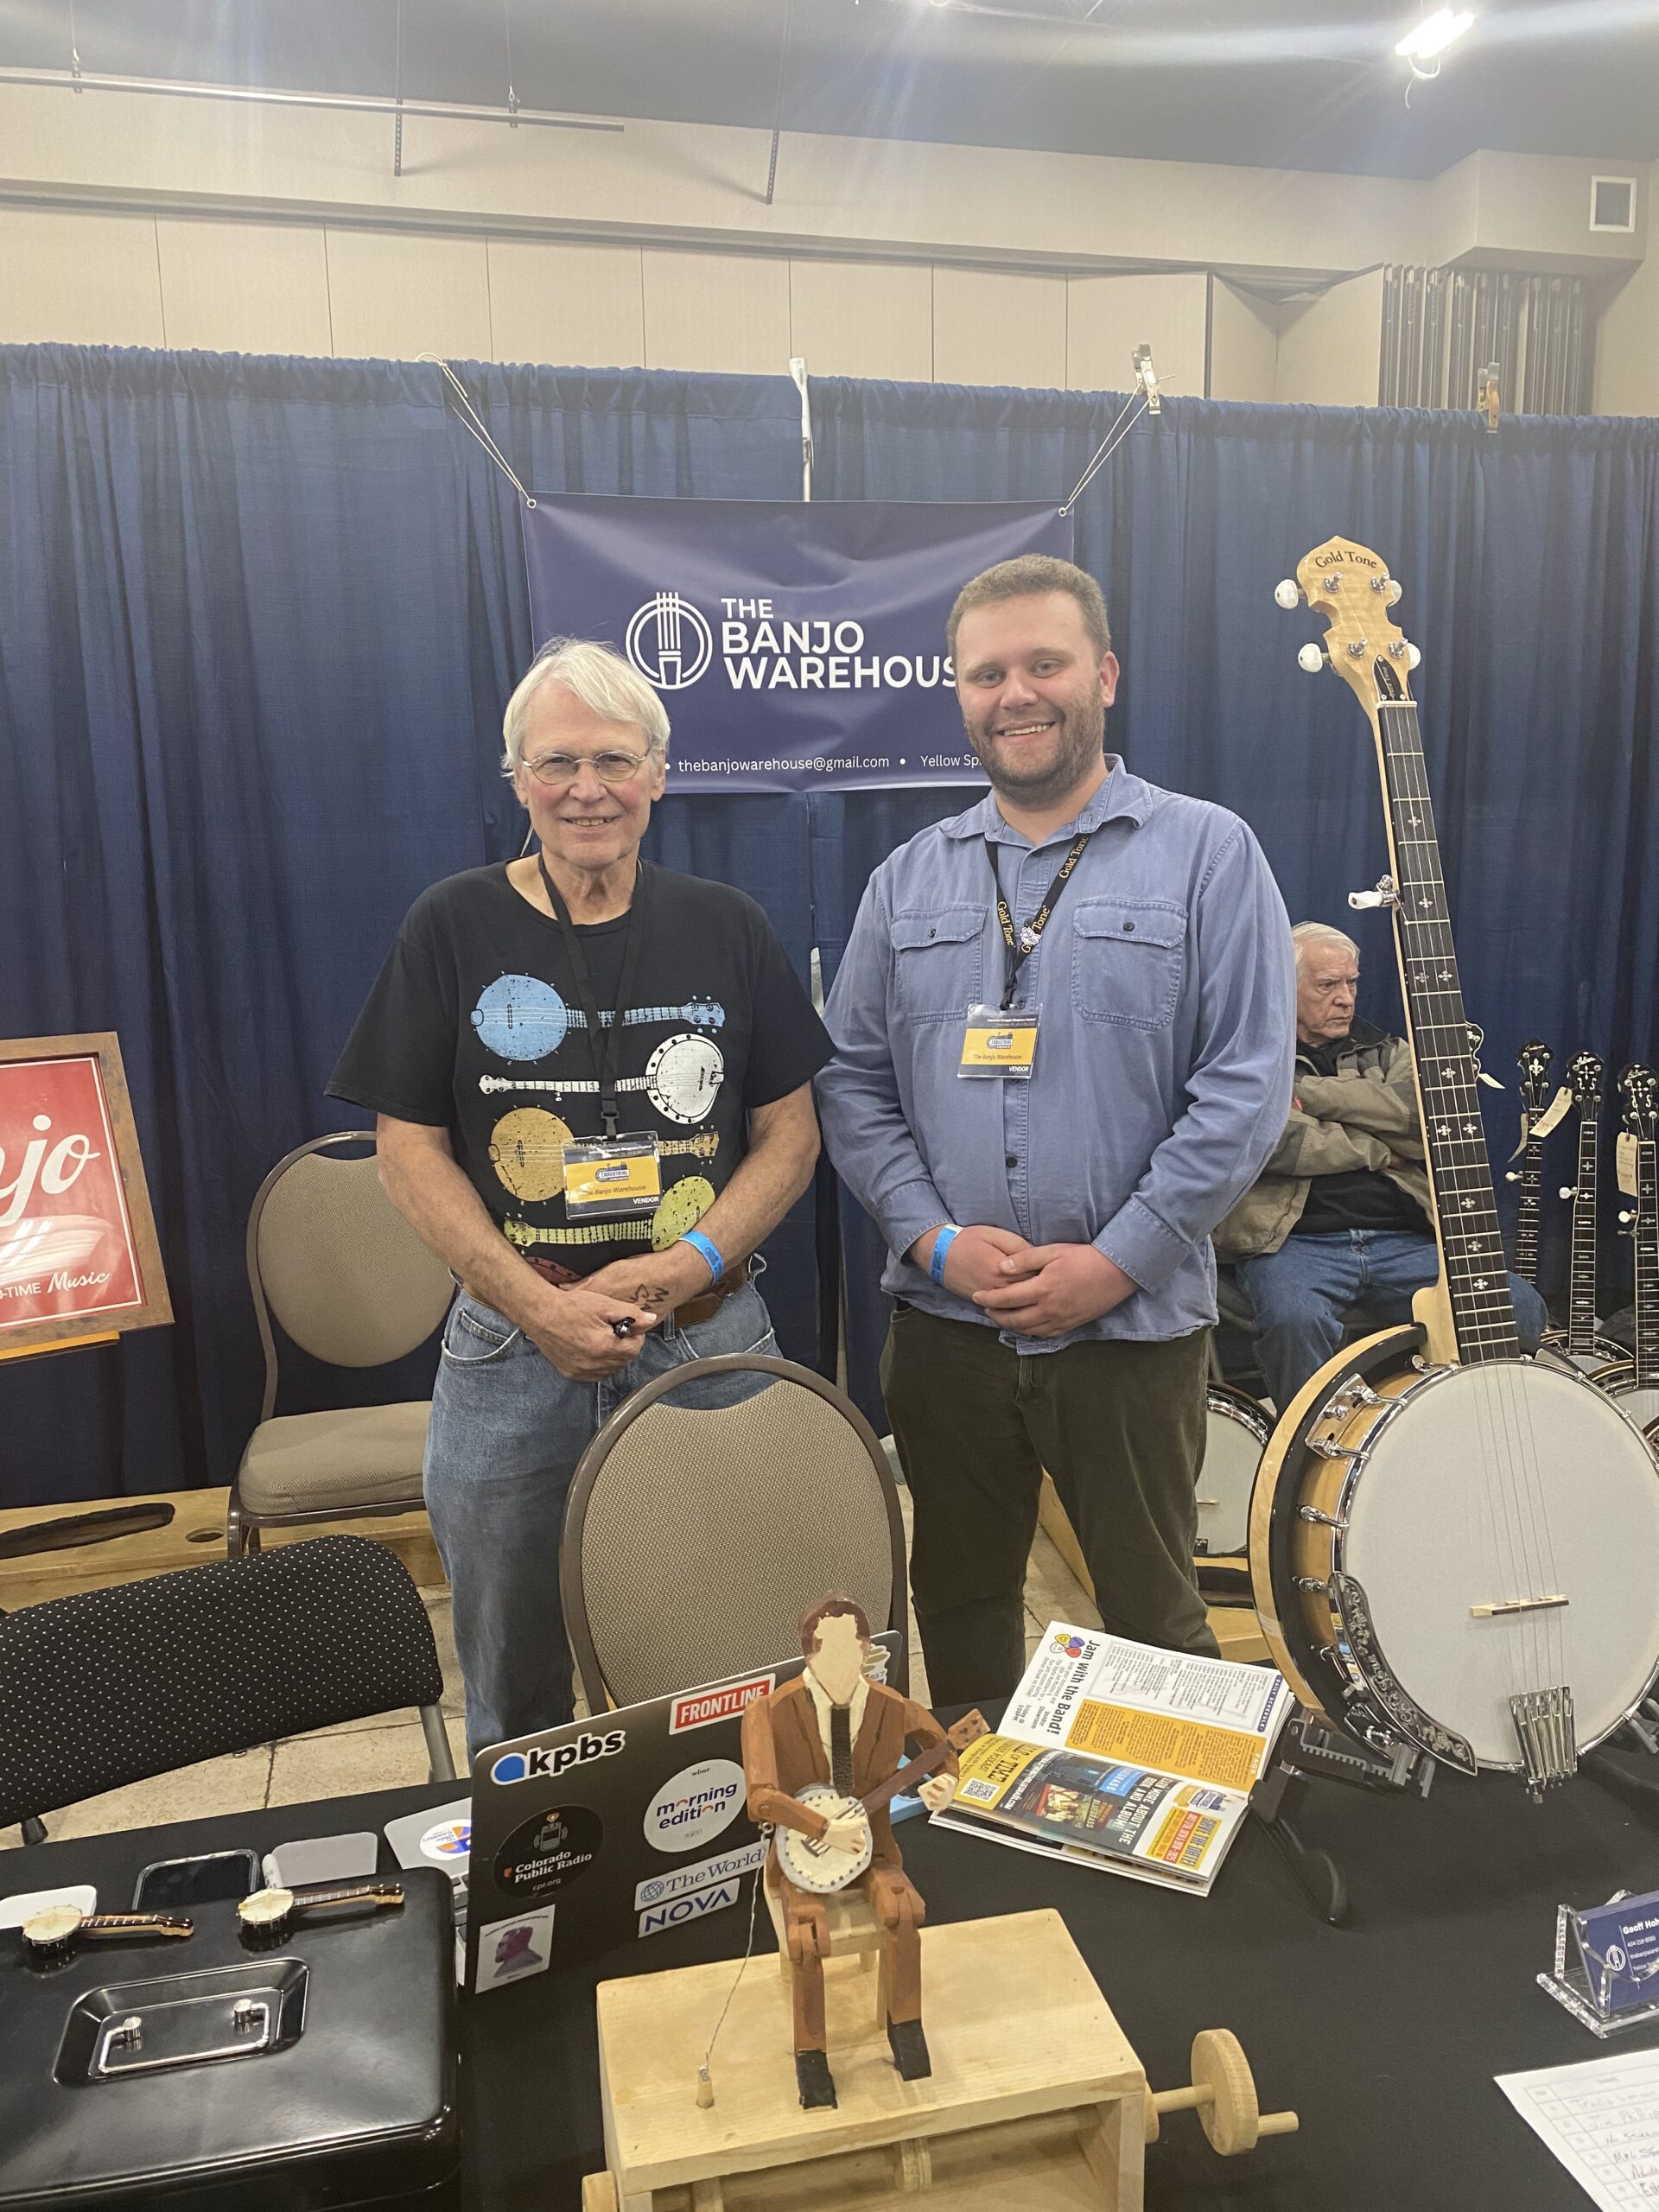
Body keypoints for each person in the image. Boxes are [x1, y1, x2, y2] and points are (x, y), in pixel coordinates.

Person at [327, 639, 830, 1756]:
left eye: (615, 760)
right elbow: (406, 1151)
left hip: (707, 1339)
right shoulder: (450, 926)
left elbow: (789, 1138)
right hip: (514, 1348)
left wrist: (689, 1263)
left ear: (660, 774)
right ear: (517, 780)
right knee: (511, 1675)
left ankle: (732, 1871)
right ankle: (534, 1903)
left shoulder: (727, 927)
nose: (587, 789)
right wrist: (536, 1305)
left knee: (732, 1646)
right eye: (557, 763)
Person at [816, 554, 1295, 1704]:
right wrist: (934, 1241)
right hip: (945, 1329)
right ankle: (984, 1852)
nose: (1016, 693)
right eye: (988, 673)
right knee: (964, 1603)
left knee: (1153, 1619)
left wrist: (1114, 1260)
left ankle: (1168, 1870)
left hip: (1128, 1334)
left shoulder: (1209, 855)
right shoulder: (906, 882)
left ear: (1106, 675)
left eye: (1045, 663)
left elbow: (1245, 1091)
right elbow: (852, 1083)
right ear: (959, 693)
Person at [1217, 921, 1548, 1413]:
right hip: (1295, 1242)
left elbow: (1426, 1123)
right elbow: (1273, 1140)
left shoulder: (1390, 1050)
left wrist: (1312, 1095)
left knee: (1520, 1308)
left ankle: (1450, 1431)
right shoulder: (1251, 1057)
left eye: (1351, 982)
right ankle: (1309, 1454)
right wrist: (1377, 1147)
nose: (1345, 998)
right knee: (1294, 1320)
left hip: (1402, 1238)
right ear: (1284, 986)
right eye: (1327, 985)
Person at [741, 1594, 958, 2110]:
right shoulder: (767, 1713)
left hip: (874, 1848)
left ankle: (905, 2027)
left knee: (903, 1911)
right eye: (826, 1648)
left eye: (851, 1646)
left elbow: (947, 1754)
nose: (840, 1659)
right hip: (802, 1858)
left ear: (867, 1650)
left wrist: (946, 1786)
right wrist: (821, 1826)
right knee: (808, 1936)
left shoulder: (894, 1706)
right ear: (807, 1653)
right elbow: (761, 1799)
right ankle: (811, 2052)